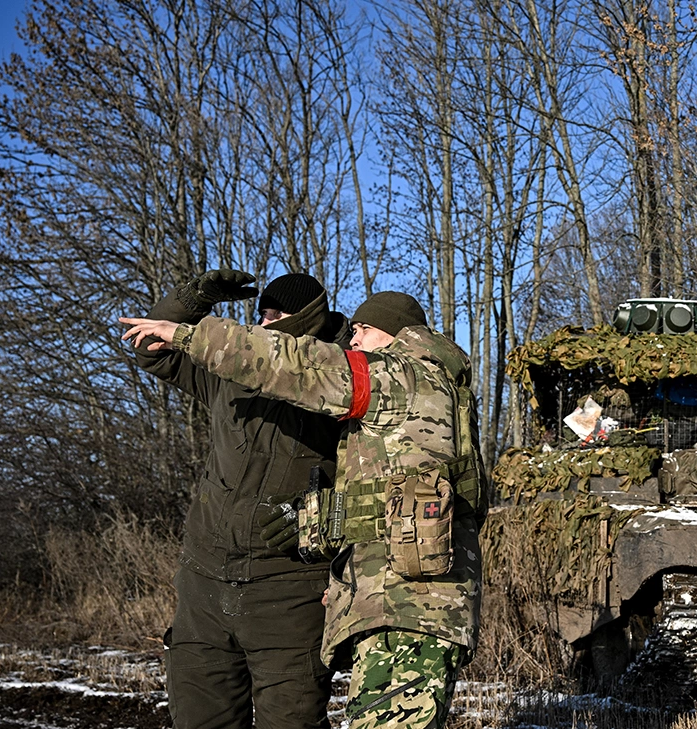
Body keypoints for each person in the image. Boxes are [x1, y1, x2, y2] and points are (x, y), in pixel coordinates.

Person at [121, 291, 486, 729]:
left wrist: (190, 334)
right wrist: (324, 537)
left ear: (393, 335)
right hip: (401, 602)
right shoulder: (432, 389)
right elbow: (382, 503)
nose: (353, 341)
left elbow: (300, 367)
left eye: (362, 331)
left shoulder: (399, 376)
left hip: (410, 609)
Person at [130, 270, 350, 729]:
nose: (265, 325)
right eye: (261, 314)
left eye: (278, 316)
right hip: (204, 586)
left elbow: (375, 481)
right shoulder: (229, 372)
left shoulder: (343, 381)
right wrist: (193, 298)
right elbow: (150, 348)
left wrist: (325, 517)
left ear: (308, 319)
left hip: (289, 595)